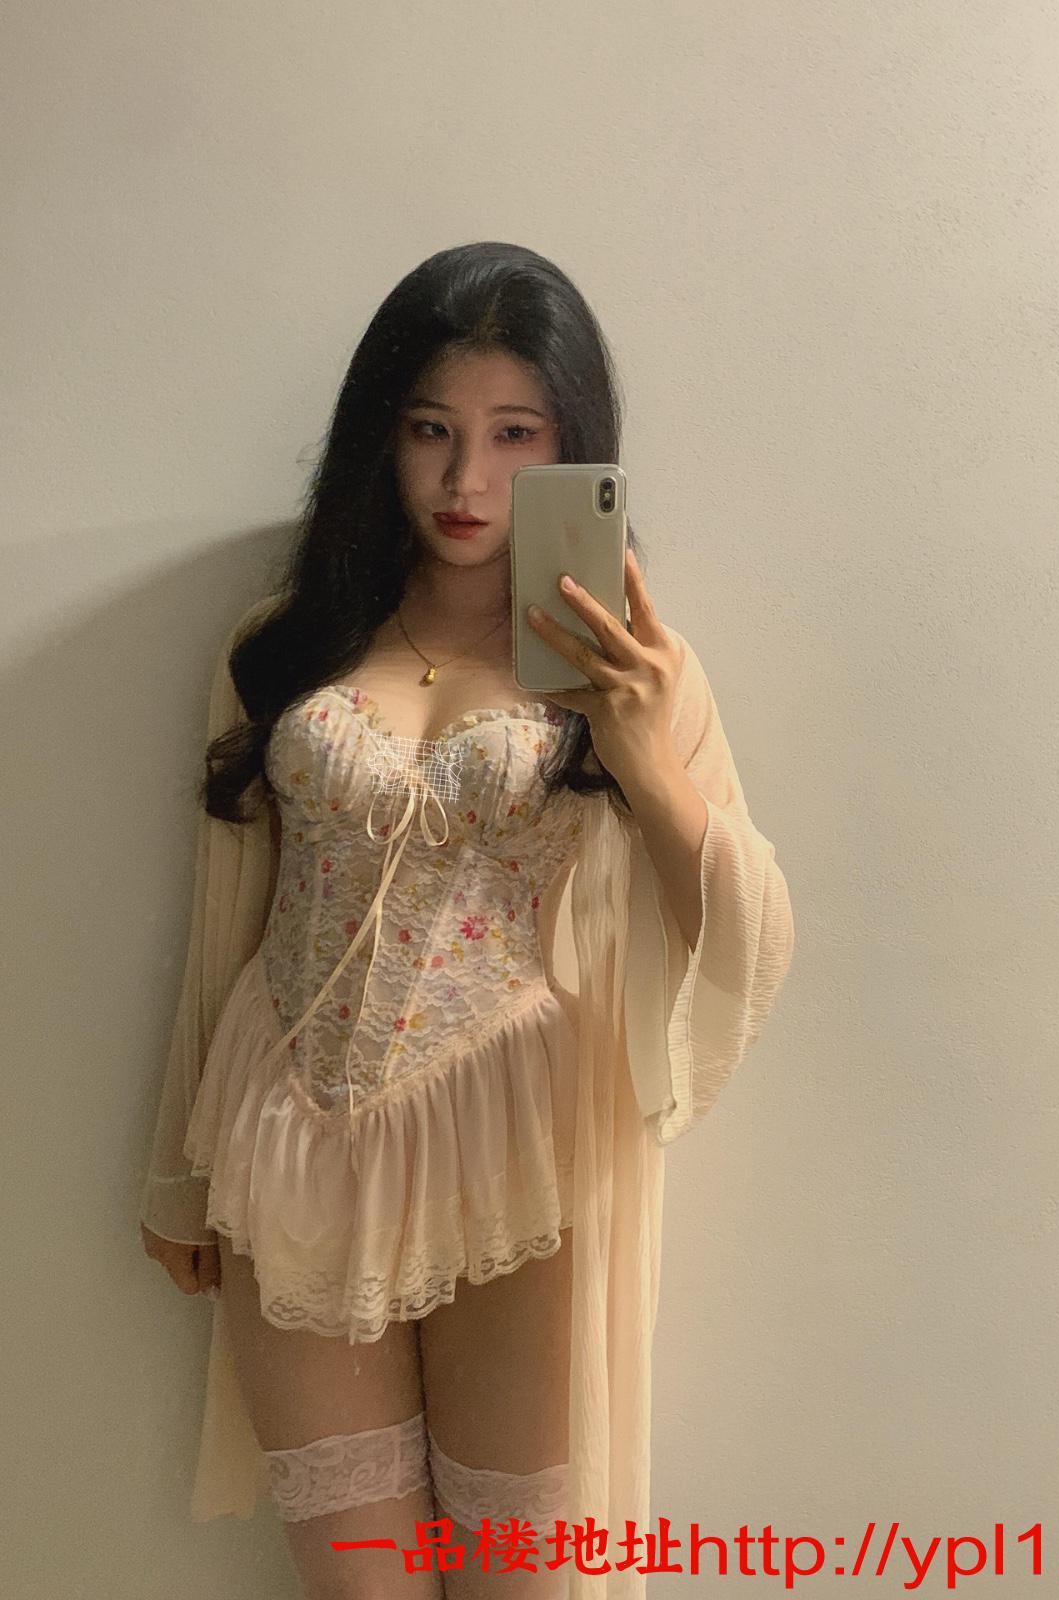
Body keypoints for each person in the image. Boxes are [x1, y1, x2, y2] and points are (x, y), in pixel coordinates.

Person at [139, 241, 796, 1600]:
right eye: (431, 429)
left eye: (515, 435)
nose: (465, 482)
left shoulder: (633, 671)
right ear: (379, 434)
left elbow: (743, 930)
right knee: (362, 1585)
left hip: (520, 1151)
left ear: (572, 447)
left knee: (521, 1582)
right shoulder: (284, 642)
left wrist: (641, 751)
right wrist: (176, 1173)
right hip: (288, 1133)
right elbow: (226, 917)